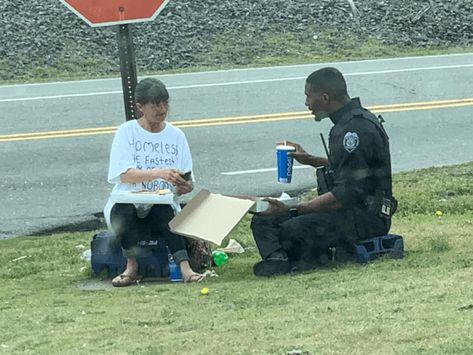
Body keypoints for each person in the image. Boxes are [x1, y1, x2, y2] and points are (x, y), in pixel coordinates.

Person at [251, 67, 397, 277]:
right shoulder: (348, 123)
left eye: (309, 97)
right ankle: (279, 259)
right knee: (263, 219)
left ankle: (303, 259)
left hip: (366, 216)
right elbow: (353, 169)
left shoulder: (354, 130)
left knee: (292, 229)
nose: (306, 104)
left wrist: (293, 209)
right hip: (348, 210)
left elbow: (346, 194)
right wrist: (310, 160)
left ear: (325, 98)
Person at [103, 77, 205, 286]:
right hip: (129, 202)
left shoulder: (176, 135)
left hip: (162, 203)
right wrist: (158, 173)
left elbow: (188, 179)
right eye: (155, 104)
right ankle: (131, 266)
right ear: (140, 106)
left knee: (165, 211)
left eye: (165, 103)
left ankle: (185, 268)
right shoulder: (127, 132)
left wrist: (185, 186)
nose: (162, 109)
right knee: (123, 211)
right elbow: (124, 174)